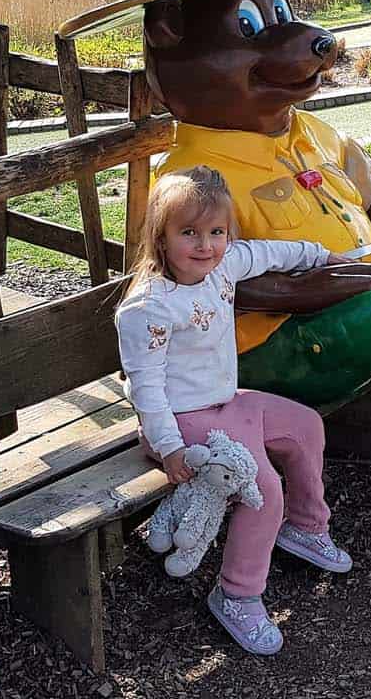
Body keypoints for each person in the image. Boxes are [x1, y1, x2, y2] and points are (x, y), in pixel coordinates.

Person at [116, 166, 357, 657]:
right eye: (189, 233)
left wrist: (323, 256)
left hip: (229, 403)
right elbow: (147, 388)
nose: (205, 245)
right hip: (183, 423)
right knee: (262, 487)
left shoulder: (222, 265)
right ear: (160, 238)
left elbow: (275, 252)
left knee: (306, 425)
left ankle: (307, 527)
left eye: (216, 232)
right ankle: (237, 593)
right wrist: (170, 449)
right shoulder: (148, 308)